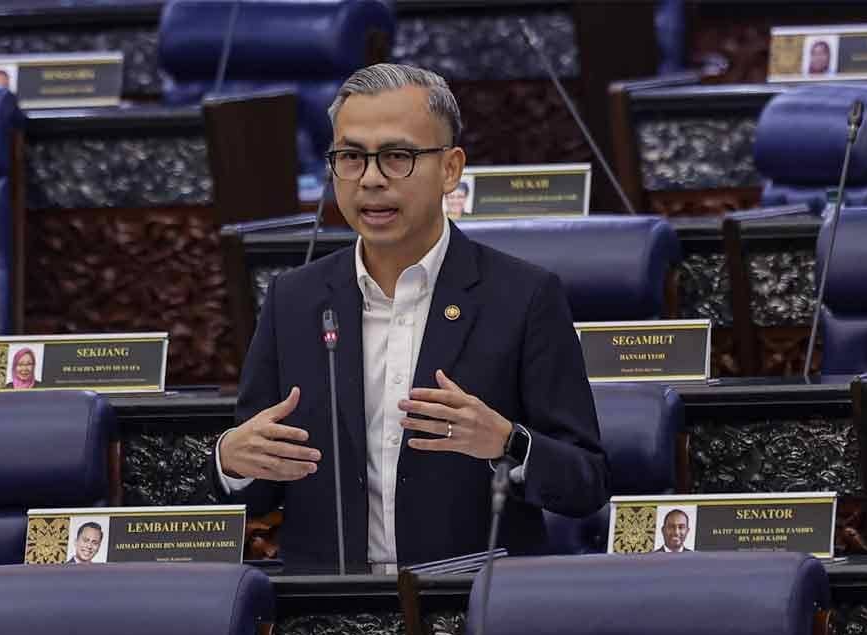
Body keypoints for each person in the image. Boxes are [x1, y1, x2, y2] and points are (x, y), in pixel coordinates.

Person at [210, 63, 608, 571]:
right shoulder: (294, 300)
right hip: (328, 618)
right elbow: (258, 483)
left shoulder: (524, 297)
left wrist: (508, 443)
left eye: (397, 157)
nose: (371, 180)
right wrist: (231, 463)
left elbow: (586, 482)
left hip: (472, 607)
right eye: (351, 157)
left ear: (450, 168)